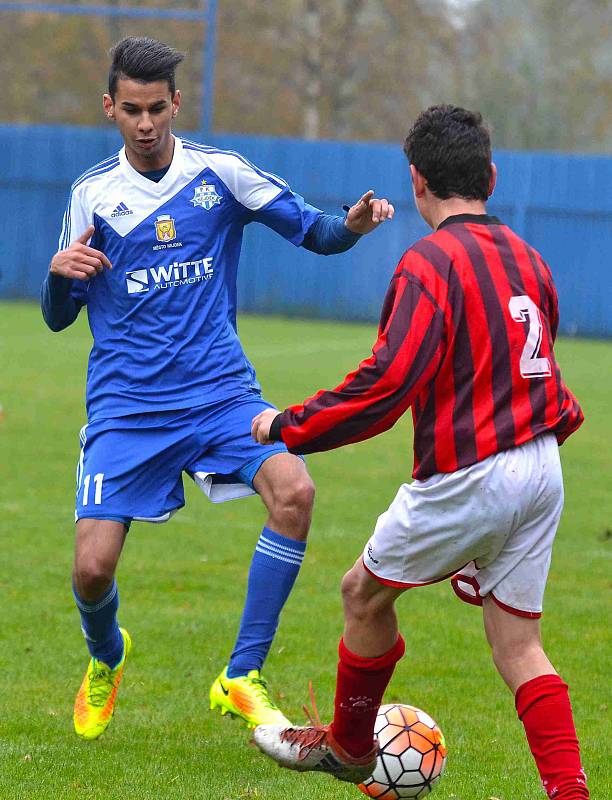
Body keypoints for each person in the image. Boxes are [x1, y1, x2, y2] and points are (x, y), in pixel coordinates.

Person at [41, 36, 394, 741]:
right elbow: (57, 318)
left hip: (220, 394)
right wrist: (58, 273)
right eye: (132, 111)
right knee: (90, 570)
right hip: (128, 407)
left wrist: (351, 227)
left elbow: (315, 232)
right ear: (110, 108)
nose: (146, 125)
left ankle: (241, 674)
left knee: (295, 491)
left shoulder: (220, 175)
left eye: (157, 110)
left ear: (176, 103)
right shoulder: (92, 196)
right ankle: (107, 654)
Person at [251, 105, 589, 799]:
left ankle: (347, 748)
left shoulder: (429, 262)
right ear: (490, 176)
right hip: (543, 462)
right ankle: (572, 793)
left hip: (475, 471)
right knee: (520, 648)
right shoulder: (530, 258)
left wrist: (289, 425)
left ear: (416, 181)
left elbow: (387, 384)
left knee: (363, 594)